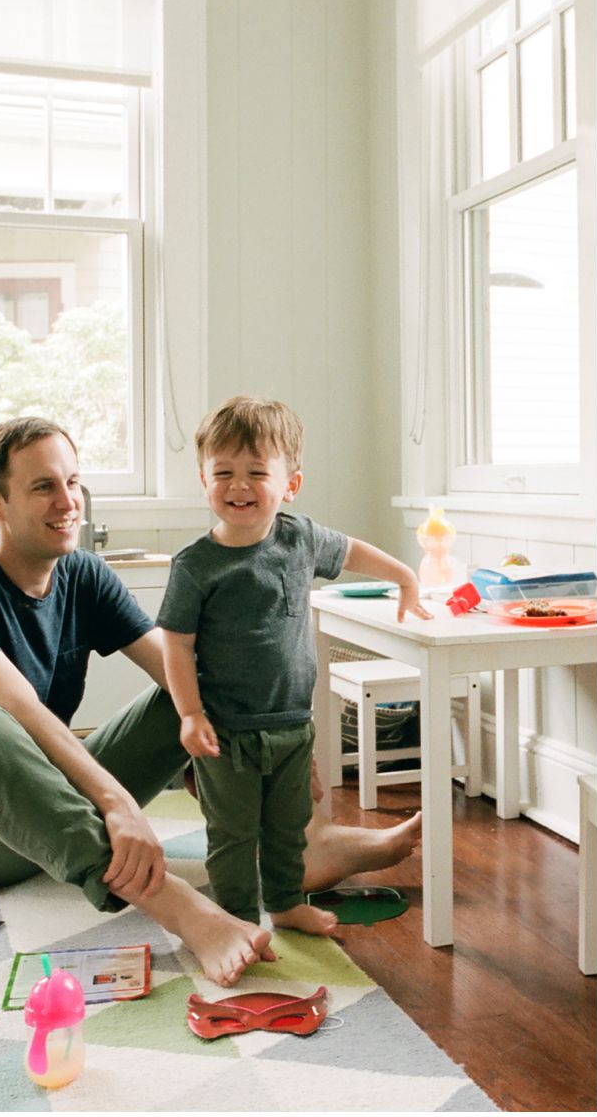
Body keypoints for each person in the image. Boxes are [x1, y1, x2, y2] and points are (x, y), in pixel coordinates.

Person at [0, 416, 423, 987]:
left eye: (73, 482)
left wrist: (280, 755)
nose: (67, 502)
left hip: (59, 798)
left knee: (187, 693)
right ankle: (186, 912)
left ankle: (300, 848)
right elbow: (23, 715)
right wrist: (116, 802)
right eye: (43, 487)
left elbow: (182, 672)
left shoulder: (83, 575)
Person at [158, 396, 430, 938]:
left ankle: (284, 904)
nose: (238, 485)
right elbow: (176, 644)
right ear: (204, 479)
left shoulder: (300, 537)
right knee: (232, 833)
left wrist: (405, 576)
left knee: (288, 827)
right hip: (227, 732)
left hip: (291, 725)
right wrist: (190, 713)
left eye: (257, 473)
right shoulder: (196, 566)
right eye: (223, 473)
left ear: (290, 484)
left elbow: (351, 551)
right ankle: (236, 919)